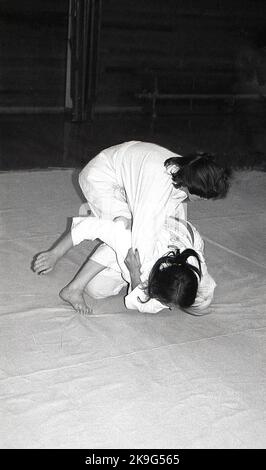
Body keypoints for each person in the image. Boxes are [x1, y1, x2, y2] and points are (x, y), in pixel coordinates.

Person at [33, 141, 230, 313]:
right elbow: (113, 231)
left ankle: (102, 276)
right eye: (202, 196)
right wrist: (55, 254)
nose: (203, 200)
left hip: (131, 182)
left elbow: (165, 217)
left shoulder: (188, 169)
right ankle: (74, 288)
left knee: (117, 267)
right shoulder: (156, 190)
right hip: (102, 179)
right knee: (126, 232)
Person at [33, 214, 216, 316]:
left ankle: (125, 274)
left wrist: (134, 275)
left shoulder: (198, 273)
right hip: (154, 226)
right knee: (97, 288)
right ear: (154, 282)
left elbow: (148, 306)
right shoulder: (142, 247)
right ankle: (74, 288)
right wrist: (55, 253)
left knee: (201, 305)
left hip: (183, 237)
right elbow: (90, 226)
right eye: (167, 302)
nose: (169, 307)